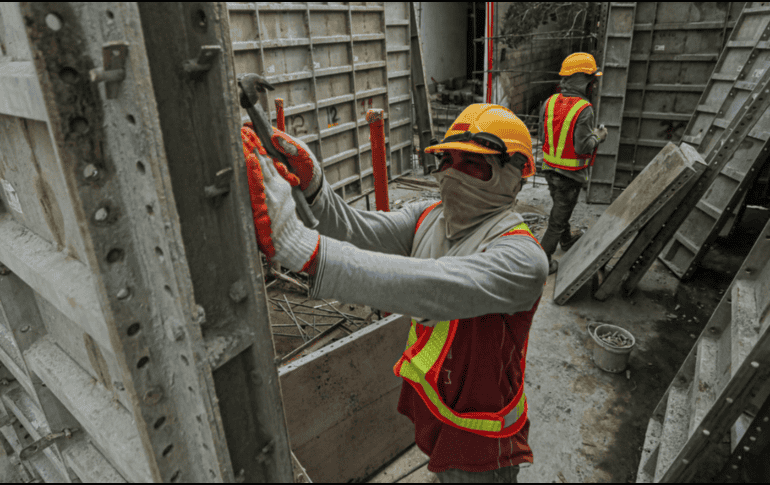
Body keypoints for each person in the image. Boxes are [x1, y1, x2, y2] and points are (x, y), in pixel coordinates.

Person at [241, 104, 548, 483]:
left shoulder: (523, 258)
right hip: (437, 409)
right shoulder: (430, 216)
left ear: (515, 176)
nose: (453, 174)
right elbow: (357, 231)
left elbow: (435, 288)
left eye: (472, 163)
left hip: (483, 440)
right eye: (446, 161)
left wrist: (304, 249)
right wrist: (315, 187)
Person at [538, 52, 608, 274]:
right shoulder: (584, 109)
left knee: (560, 210)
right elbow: (583, 147)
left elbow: (542, 136)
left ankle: (566, 240)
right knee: (557, 221)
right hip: (569, 175)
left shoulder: (549, 103)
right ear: (581, 80)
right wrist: (598, 136)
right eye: (591, 80)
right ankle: (542, 262)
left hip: (549, 170)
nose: (593, 85)